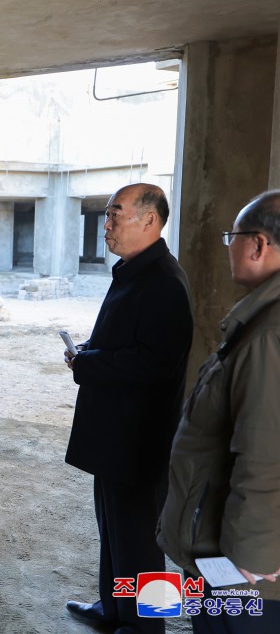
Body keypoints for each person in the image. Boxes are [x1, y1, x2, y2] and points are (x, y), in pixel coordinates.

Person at [63, 183, 193, 634]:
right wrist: (89, 351)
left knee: (140, 541)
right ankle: (115, 609)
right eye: (108, 214)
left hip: (139, 439)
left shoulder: (164, 282)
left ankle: (147, 627)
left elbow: (155, 362)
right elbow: (129, 343)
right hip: (115, 434)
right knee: (115, 534)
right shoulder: (135, 272)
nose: (108, 224)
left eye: (117, 214)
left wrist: (91, 362)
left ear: (151, 221)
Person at [157, 190, 280, 632]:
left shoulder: (269, 335)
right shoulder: (259, 320)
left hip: (245, 571)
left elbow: (266, 455)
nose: (228, 245)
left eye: (232, 235)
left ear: (258, 244)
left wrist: (250, 562)